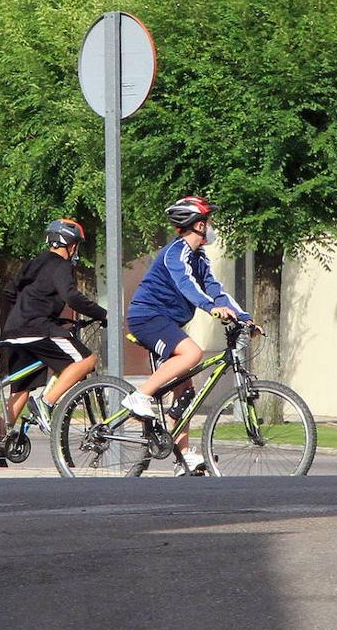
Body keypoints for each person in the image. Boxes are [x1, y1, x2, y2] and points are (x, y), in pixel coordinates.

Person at [121, 196, 251, 475]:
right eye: (210, 222)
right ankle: (139, 395)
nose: (213, 227)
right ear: (200, 225)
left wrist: (244, 318)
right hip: (147, 317)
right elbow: (187, 286)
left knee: (185, 394)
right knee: (193, 353)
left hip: (167, 322)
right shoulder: (176, 253)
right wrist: (211, 308)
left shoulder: (199, 258)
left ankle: (183, 456)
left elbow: (217, 291)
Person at [0, 219, 107, 435]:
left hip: (14, 330)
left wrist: (25, 313)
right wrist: (102, 313)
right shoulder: (61, 265)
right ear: (71, 244)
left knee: (20, 390)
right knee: (87, 360)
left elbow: (10, 293)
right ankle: (46, 403)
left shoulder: (34, 262)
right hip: (36, 329)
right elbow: (71, 297)